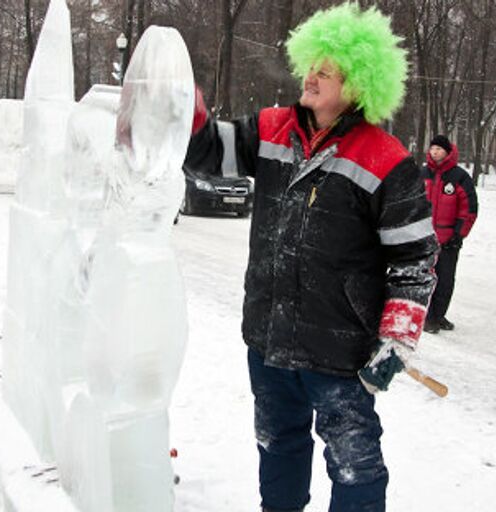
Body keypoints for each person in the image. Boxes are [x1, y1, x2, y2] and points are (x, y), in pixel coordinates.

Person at [184, 4, 438, 512]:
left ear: (359, 83)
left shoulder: (386, 159)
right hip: (269, 339)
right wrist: (186, 111)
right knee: (278, 446)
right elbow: (209, 151)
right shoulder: (272, 128)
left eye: (327, 70)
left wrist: (396, 340)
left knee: (355, 465)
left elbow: (414, 261)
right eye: (311, 65)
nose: (312, 76)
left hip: (339, 353)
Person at [421, 135, 478, 334]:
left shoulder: (459, 177)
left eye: (439, 149)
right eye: (433, 148)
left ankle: (437, 316)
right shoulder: (422, 174)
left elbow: (469, 209)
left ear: (447, 151)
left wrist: (458, 235)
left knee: (445, 280)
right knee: (422, 278)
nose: (435, 152)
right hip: (423, 238)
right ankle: (425, 315)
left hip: (447, 241)